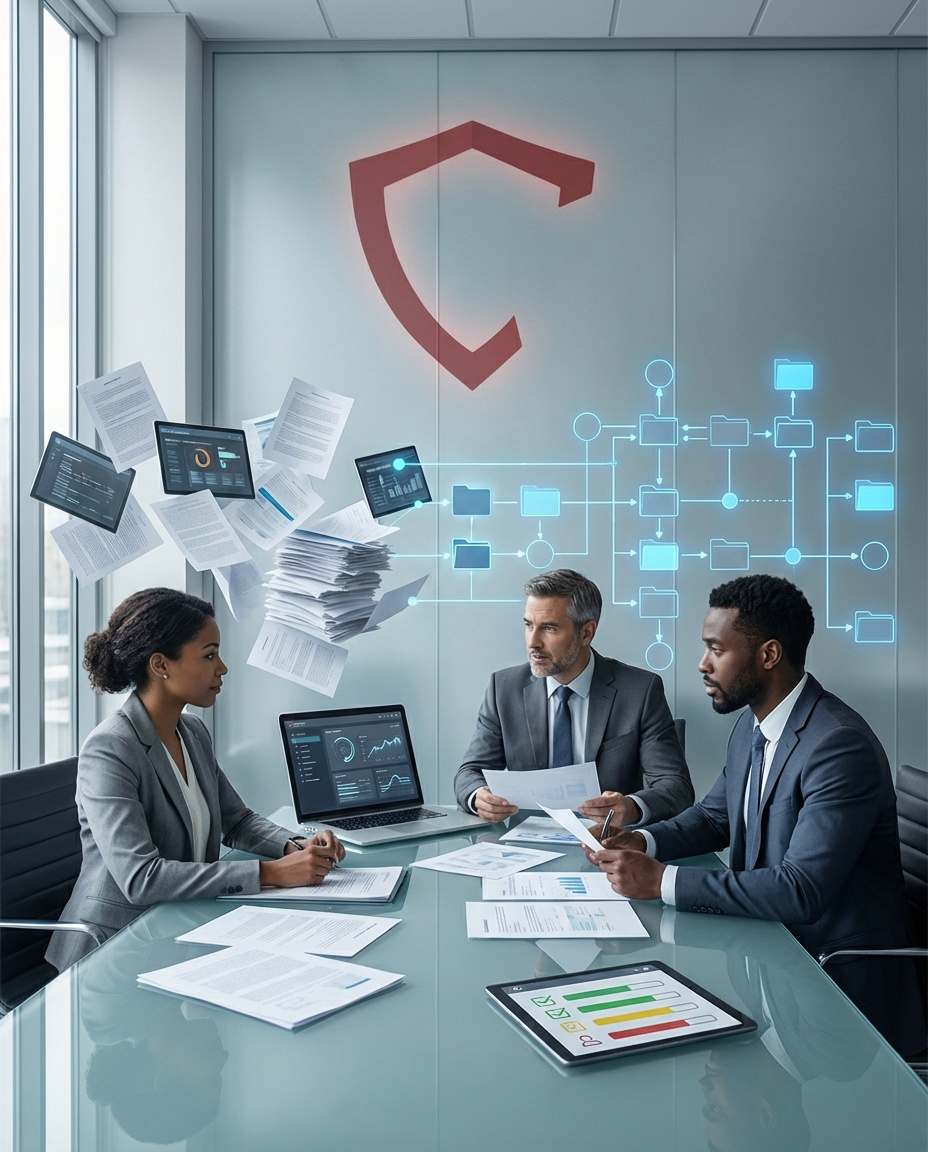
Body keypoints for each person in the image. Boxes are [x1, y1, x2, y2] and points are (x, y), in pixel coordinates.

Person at [587, 574, 923, 1055]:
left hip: (838, 990)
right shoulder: (752, 724)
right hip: (771, 960)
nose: (702, 664)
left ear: (769, 655)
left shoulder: (837, 746)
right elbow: (714, 818)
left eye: (716, 649)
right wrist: (642, 840)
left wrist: (661, 882)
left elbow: (799, 890)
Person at [47, 588, 345, 972]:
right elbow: (141, 879)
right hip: (111, 952)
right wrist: (270, 873)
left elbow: (236, 821)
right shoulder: (110, 749)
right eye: (209, 655)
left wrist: (295, 846)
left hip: (176, 929)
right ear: (161, 665)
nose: (222, 668)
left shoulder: (192, 732)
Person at [454, 569, 693, 826]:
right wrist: (478, 796)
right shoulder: (503, 689)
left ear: (586, 633)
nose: (533, 642)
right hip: (526, 839)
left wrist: (632, 807)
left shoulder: (640, 691)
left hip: (607, 840)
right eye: (528, 625)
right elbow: (469, 772)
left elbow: (675, 785)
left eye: (549, 628)